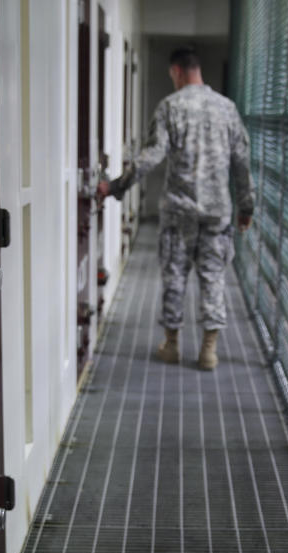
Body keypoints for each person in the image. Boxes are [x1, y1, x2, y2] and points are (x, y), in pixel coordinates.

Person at [99, 46, 254, 370]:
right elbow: (241, 162)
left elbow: (153, 155)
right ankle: (208, 351)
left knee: (174, 278)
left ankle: (172, 346)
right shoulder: (227, 108)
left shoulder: (171, 106)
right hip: (216, 213)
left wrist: (116, 186)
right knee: (213, 278)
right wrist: (245, 207)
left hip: (178, 213)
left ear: (177, 71)